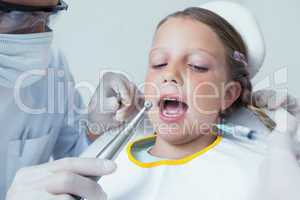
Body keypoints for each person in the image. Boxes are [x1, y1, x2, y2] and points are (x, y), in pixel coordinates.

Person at [87, 1, 300, 199]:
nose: (170, 74)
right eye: (159, 63)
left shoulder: (258, 172)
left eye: (197, 66)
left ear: (228, 95)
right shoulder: (101, 157)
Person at [0, 1, 121, 200]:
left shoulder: (51, 68)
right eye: (20, 19)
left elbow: (73, 157)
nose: (39, 34)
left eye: (47, 17)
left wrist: (94, 129)